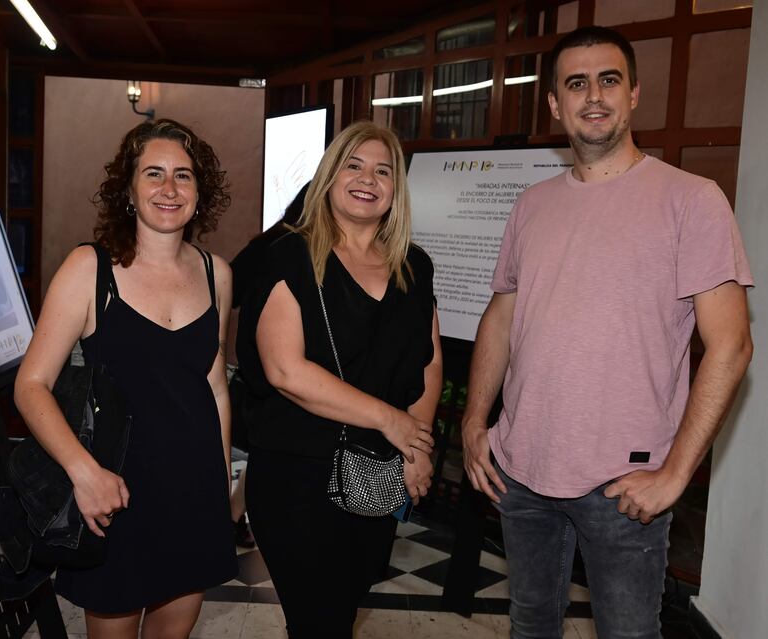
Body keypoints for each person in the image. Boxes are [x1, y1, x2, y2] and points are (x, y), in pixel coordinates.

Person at [461, 26, 753, 638]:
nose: (593, 95)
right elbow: (501, 316)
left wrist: (675, 473)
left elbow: (731, 344)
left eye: (608, 79)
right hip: (522, 468)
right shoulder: (532, 204)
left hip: (624, 484)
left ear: (634, 93)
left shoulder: (691, 200)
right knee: (530, 622)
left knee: (628, 633)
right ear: (554, 105)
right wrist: (473, 423)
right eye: (576, 83)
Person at [14, 119, 237, 638]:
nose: (169, 188)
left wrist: (221, 489)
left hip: (192, 495)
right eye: (153, 173)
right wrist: (84, 473)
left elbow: (215, 388)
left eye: (184, 176)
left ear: (200, 193)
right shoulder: (89, 268)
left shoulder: (216, 274)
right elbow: (31, 385)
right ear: (129, 190)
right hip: (114, 495)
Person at [243, 120, 442, 638]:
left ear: (396, 189)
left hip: (375, 473)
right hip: (297, 475)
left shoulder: (414, 267)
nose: (367, 178)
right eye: (353, 165)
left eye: (383, 170)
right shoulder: (287, 255)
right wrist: (392, 421)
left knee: (345, 610)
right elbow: (286, 372)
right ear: (329, 176)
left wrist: (416, 446)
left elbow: (428, 362)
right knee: (320, 622)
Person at [228, 183, 309, 549]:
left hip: (264, 363)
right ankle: (233, 517)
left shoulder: (271, 241)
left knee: (265, 447)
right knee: (268, 446)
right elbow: (226, 288)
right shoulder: (284, 247)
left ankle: (232, 516)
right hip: (273, 366)